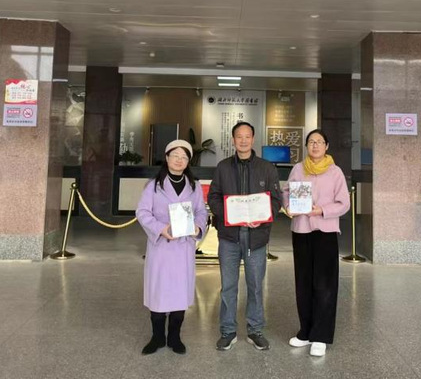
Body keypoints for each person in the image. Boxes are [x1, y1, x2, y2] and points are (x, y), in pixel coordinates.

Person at [207, 121, 282, 351]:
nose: (243, 140)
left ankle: (255, 329)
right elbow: (213, 197)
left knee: (255, 286)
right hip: (229, 237)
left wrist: (263, 217)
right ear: (233, 140)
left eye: (247, 136)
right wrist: (229, 215)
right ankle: (228, 331)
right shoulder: (223, 167)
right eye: (239, 136)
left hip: (256, 237)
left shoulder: (267, 168)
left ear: (253, 139)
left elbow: (276, 201)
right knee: (228, 286)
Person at [135, 139, 208, 355]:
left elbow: (201, 212)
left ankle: (175, 337)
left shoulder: (194, 186)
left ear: (188, 161)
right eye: (175, 155)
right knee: (158, 293)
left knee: (179, 294)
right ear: (166, 158)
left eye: (184, 157)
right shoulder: (153, 185)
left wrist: (197, 227)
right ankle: (157, 337)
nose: (179, 160)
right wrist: (160, 229)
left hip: (183, 248)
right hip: (161, 248)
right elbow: (142, 212)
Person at [282, 129, 350, 357]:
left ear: (326, 146)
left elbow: (344, 203)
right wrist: (288, 206)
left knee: (325, 285)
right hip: (301, 230)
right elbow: (286, 192)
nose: (315, 145)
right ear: (307, 146)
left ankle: (320, 335)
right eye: (311, 142)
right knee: (303, 283)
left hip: (325, 232)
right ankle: (305, 332)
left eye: (319, 142)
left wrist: (321, 210)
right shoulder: (298, 169)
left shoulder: (335, 172)